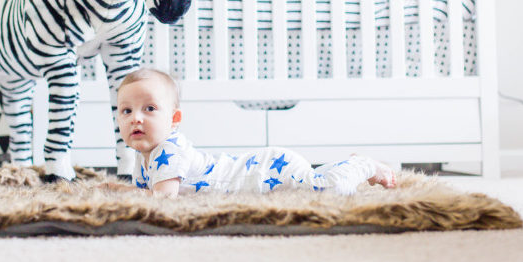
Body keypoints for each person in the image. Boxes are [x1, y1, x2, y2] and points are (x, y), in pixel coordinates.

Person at [103, 68, 396, 198]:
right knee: (311, 179)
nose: (135, 118)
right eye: (126, 111)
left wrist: (122, 194)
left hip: (266, 170)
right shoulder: (144, 157)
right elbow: (148, 192)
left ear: (174, 119)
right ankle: (342, 165)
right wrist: (124, 189)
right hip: (259, 169)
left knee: (327, 191)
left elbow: (162, 203)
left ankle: (364, 164)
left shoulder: (169, 150)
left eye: (150, 109)